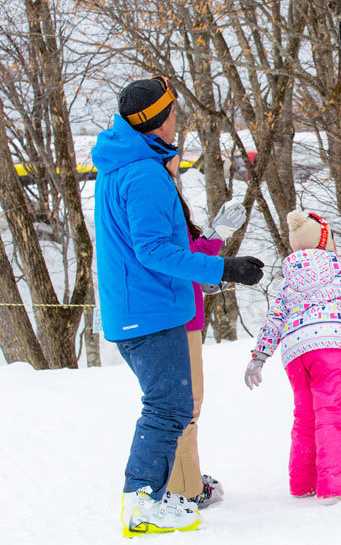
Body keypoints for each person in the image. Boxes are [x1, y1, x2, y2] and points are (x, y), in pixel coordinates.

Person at [92, 75, 265, 537]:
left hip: (140, 307)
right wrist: (224, 268)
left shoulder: (123, 165)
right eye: (173, 113)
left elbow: (157, 244)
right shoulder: (144, 173)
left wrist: (212, 246)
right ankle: (142, 501)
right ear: (158, 123)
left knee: (171, 405)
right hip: (149, 310)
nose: (177, 120)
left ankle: (157, 495)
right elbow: (152, 250)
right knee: (169, 407)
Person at [244, 210, 341, 502]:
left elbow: (274, 321)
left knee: (304, 415)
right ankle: (336, 484)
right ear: (324, 242)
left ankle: (302, 481)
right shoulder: (340, 270)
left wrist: (259, 356)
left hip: (295, 353)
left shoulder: (287, 282)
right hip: (328, 347)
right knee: (330, 412)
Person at [163, 154, 248, 510]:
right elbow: (178, 259)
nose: (177, 166)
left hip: (181, 315)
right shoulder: (158, 195)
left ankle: (182, 479)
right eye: (171, 161)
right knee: (186, 406)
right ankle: (184, 488)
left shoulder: (161, 195)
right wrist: (217, 237)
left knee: (182, 405)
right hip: (179, 321)